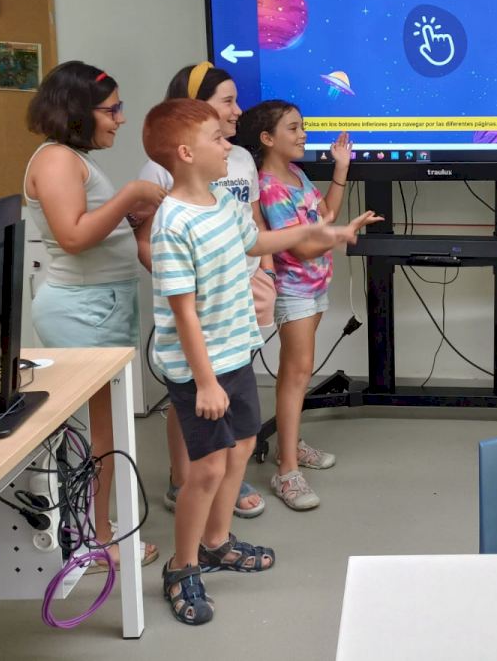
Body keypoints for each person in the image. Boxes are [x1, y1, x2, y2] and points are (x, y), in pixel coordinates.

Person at [143, 99, 369, 625]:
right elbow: (183, 313)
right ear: (185, 153)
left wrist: (325, 233)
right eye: (217, 138)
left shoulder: (223, 201)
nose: (229, 144)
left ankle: (216, 541)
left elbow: (259, 240)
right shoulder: (173, 222)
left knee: (242, 447)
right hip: (199, 369)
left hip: (235, 353)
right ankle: (182, 566)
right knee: (207, 468)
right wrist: (204, 382)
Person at [24, 60, 166, 570]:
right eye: (112, 109)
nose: (120, 118)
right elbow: (73, 236)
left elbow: (89, 223)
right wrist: (129, 195)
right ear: (78, 112)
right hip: (82, 310)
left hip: (101, 304)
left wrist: (126, 215)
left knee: (107, 431)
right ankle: (98, 540)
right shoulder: (56, 161)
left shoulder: (74, 159)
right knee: (99, 435)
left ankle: (97, 532)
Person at [138, 62, 273, 520]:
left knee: (235, 420)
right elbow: (155, 247)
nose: (238, 112)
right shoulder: (167, 186)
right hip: (202, 311)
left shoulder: (238, 162)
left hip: (238, 304)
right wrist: (186, 284)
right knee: (198, 409)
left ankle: (219, 501)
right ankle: (187, 483)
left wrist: (269, 268)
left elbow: (253, 225)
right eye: (227, 102)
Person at [237, 101, 356, 510]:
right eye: (293, 128)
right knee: (296, 375)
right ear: (267, 138)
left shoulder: (297, 174)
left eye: (302, 125)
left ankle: (291, 444)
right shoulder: (269, 185)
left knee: (299, 374)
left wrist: (341, 169)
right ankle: (286, 471)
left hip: (315, 287)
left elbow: (324, 216)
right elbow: (303, 247)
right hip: (294, 291)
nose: (303, 133)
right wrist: (340, 235)